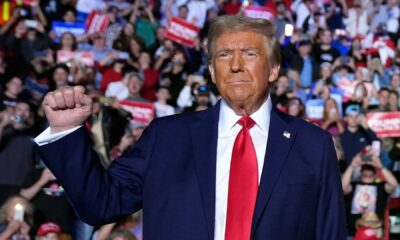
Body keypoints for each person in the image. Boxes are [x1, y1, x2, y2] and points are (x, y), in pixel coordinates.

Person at [34, 16, 346, 239]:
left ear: (274, 69)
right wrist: (67, 133)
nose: (236, 64)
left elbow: (329, 232)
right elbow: (100, 204)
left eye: (250, 54)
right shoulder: (167, 137)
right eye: (224, 55)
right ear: (211, 70)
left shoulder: (313, 145)